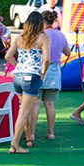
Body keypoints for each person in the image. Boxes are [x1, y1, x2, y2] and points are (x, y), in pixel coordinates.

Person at [5, 11, 50, 153]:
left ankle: (29, 138)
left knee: (25, 110)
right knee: (24, 112)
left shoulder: (20, 38)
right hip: (32, 76)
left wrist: (17, 65)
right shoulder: (43, 38)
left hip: (18, 76)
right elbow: (47, 59)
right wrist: (43, 72)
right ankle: (15, 145)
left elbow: (7, 56)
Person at [30, 10, 70, 140]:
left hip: (39, 69)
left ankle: (31, 133)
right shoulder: (60, 35)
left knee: (35, 103)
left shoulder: (39, 35)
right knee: (49, 103)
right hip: (54, 71)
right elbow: (68, 52)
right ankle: (51, 132)